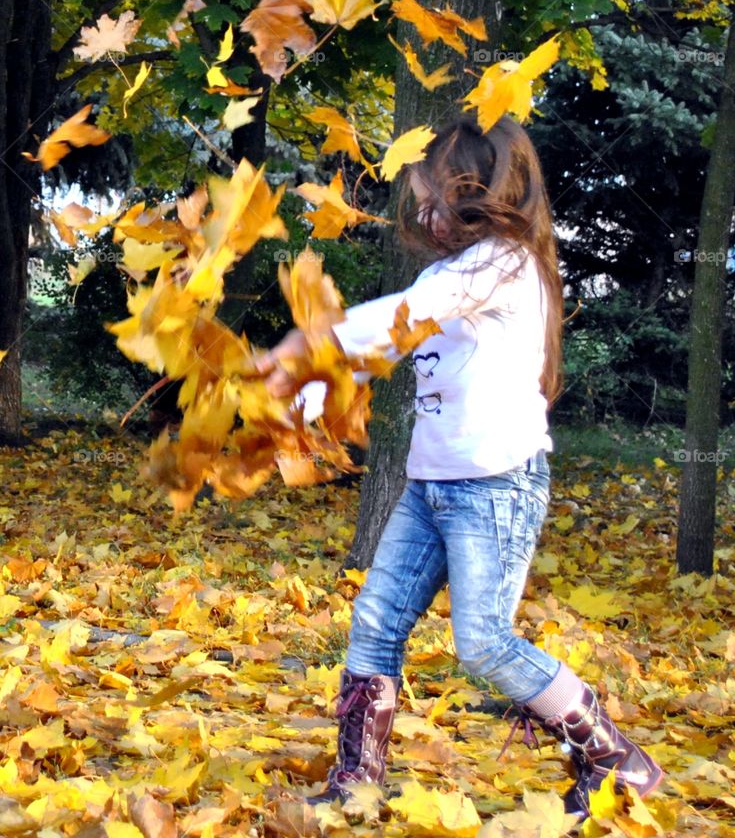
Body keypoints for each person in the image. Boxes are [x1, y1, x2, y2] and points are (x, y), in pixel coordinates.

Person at [255, 113, 663, 822]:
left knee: (482, 644)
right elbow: (384, 342)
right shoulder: (451, 270)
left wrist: (304, 344)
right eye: (420, 197)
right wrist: (310, 386)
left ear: (484, 192)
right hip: (428, 485)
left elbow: (407, 313)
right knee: (375, 622)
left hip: (495, 487)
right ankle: (354, 783)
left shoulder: (504, 261)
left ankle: (610, 755)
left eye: (435, 196)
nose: (423, 211)